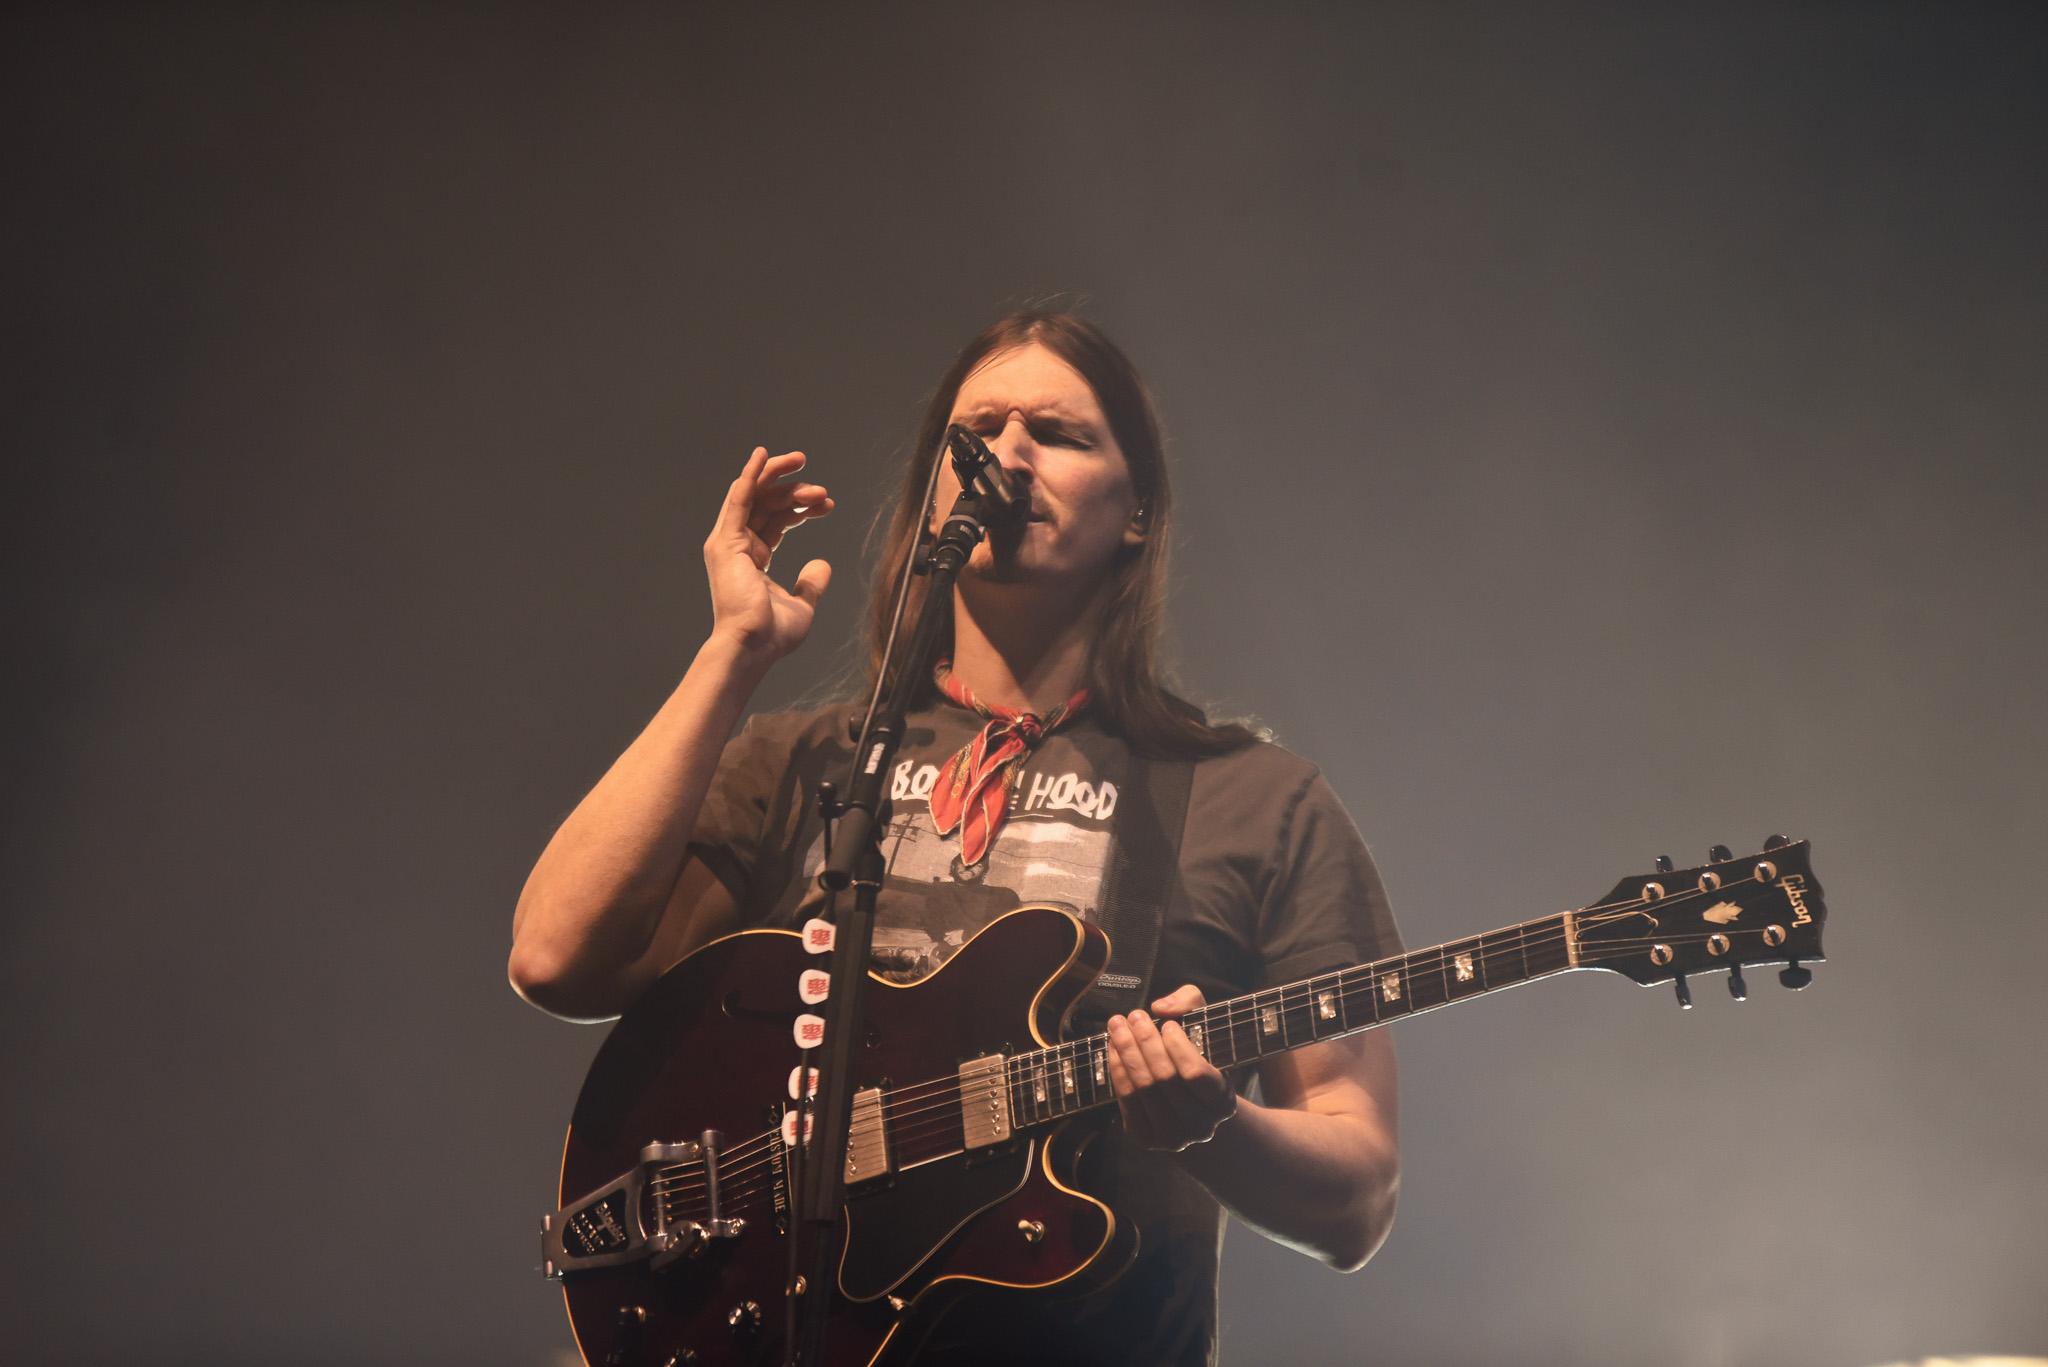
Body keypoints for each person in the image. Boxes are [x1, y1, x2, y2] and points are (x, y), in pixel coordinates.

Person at [509, 311, 1402, 1365]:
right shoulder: (801, 760)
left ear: (1137, 512)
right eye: (976, 429)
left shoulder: (1253, 800)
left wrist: (1215, 1127)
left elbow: (1356, 1195)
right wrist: (735, 650)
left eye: (1058, 432)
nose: (1007, 452)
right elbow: (555, 957)